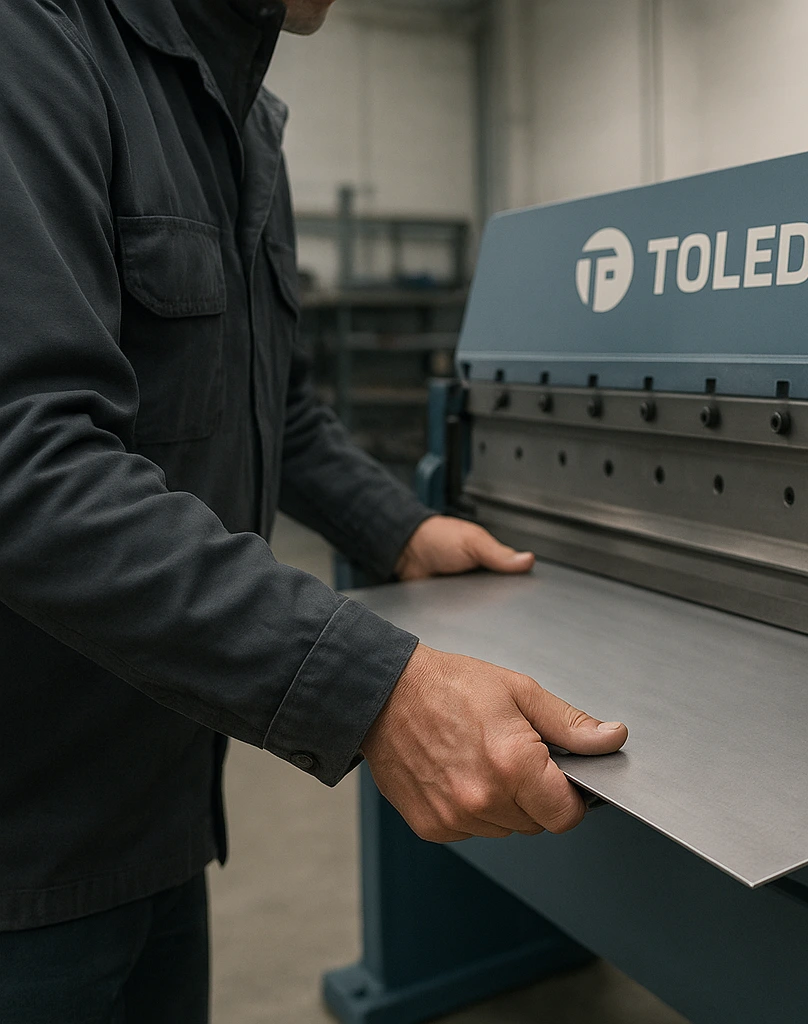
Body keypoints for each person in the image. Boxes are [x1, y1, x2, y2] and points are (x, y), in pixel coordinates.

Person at [0, 1, 628, 1019]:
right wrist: (373, 689)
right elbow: (24, 461)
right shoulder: (35, 43)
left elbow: (277, 413)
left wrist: (402, 529)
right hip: (22, 842)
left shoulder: (244, 128)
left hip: (155, 799)